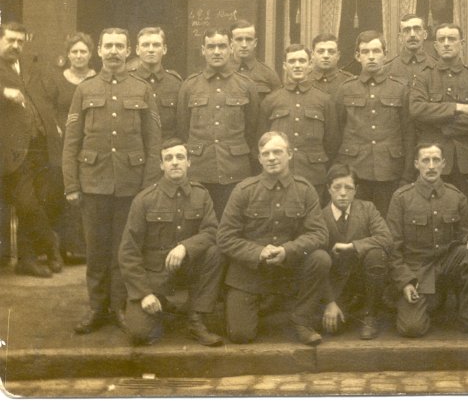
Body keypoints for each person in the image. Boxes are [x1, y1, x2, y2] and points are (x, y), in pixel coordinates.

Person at [63, 27, 162, 334]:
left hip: (131, 185)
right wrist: (71, 185)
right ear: (100, 51)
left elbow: (153, 141)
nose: (115, 51)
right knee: (95, 250)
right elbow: (72, 140)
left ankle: (119, 306)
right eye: (109, 46)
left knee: (124, 249)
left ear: (128, 49)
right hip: (93, 183)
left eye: (120, 45)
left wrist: (147, 186)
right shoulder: (86, 88)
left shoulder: (141, 88)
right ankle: (96, 307)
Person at [217, 131, 330, 346]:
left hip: (289, 270)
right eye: (265, 153)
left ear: (289, 154)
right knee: (241, 335)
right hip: (250, 272)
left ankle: (301, 320)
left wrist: (287, 250)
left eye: (277, 152)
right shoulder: (243, 190)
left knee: (320, 258)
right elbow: (224, 237)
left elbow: (319, 234)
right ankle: (259, 305)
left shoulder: (304, 190)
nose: (271, 158)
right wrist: (258, 252)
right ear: (259, 158)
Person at [118, 139, 224, 347]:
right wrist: (144, 293)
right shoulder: (144, 200)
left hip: (187, 271)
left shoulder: (201, 195)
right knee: (140, 334)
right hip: (154, 277)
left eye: (180, 157)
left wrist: (185, 247)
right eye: (168, 158)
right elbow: (128, 251)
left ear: (189, 162)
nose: (174, 162)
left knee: (216, 252)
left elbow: (212, 230)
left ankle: (196, 319)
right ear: (161, 165)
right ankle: (159, 304)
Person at [387, 142, 468, 341]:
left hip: (447, 263)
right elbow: (392, 248)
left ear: (444, 164)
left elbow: (467, 231)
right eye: (426, 160)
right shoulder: (401, 198)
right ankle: (428, 301)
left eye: (436, 160)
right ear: (416, 164)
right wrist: (405, 282)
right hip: (418, 269)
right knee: (412, 328)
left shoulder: (456, 196)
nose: (431, 166)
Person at [0, 21, 63, 277]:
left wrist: (52, 125)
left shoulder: (27, 67)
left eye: (20, 42)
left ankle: (26, 260)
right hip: (12, 150)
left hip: (38, 145)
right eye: (10, 40)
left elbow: (46, 98)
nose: (15, 46)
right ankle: (51, 244)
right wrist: (3, 91)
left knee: (37, 201)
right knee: (26, 203)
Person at [409, 23, 468, 219]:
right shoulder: (423, 77)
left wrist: (442, 124)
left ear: (461, 43)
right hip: (434, 161)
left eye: (452, 39)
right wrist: (455, 108)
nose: (447, 44)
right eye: (442, 40)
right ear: (435, 45)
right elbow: (417, 109)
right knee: (435, 216)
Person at [177, 28, 260, 219]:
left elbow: (252, 129)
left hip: (235, 169)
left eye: (222, 46)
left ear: (230, 48)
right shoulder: (189, 86)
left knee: (232, 224)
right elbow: (183, 130)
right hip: (199, 171)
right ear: (203, 50)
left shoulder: (246, 85)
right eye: (211, 46)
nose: (216, 51)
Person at [335, 30, 414, 216]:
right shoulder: (345, 89)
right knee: (356, 222)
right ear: (357, 56)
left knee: (387, 223)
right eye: (365, 52)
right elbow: (336, 131)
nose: (371, 57)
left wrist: (408, 173)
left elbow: (409, 134)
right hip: (355, 170)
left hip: (390, 170)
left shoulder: (400, 89)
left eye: (376, 51)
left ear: (385, 55)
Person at [320, 164, 391, 340]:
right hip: (337, 285)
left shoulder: (367, 209)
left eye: (348, 188)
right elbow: (316, 264)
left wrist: (352, 246)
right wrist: (330, 302)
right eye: (337, 187)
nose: (343, 193)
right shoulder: (320, 217)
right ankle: (346, 307)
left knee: (376, 254)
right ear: (329, 189)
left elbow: (386, 238)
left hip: (364, 279)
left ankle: (370, 314)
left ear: (356, 190)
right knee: (332, 329)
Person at [258, 44, 339, 198]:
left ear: (310, 65)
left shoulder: (324, 100)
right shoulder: (271, 100)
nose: (297, 65)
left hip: (313, 177)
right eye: (292, 61)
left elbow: (332, 143)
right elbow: (261, 140)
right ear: (284, 66)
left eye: (302, 61)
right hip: (278, 176)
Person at [48, 32, 97, 261]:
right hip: (63, 144)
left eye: (83, 51)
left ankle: (80, 248)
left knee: (86, 193)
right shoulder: (58, 79)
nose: (79, 56)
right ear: (68, 55)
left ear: (91, 54)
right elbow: (48, 109)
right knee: (63, 192)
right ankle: (59, 248)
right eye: (74, 51)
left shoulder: (97, 79)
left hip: (90, 143)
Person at [132, 27, 183, 141]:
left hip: (168, 150)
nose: (151, 49)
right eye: (145, 45)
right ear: (137, 50)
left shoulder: (175, 83)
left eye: (156, 45)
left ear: (164, 49)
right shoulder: (129, 81)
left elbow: (182, 124)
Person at [230, 19, 282, 100]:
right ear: (231, 43)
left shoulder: (269, 75)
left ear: (255, 43)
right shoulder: (222, 72)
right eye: (239, 39)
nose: (244, 45)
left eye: (248, 39)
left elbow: (277, 106)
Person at [386, 13, 436, 88]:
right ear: (400, 37)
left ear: (425, 35)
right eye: (407, 30)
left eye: (417, 29)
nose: (412, 34)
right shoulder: (387, 70)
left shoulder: (436, 67)